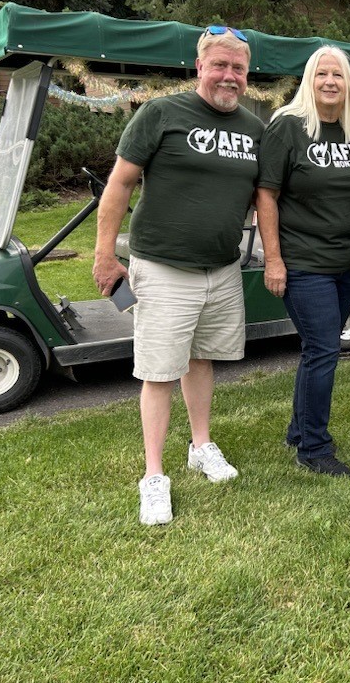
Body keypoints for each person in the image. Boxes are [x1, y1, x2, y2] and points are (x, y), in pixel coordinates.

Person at [93, 26, 263, 525]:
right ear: (199, 67)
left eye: (238, 68)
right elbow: (120, 184)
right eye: (220, 66)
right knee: (160, 371)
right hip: (163, 267)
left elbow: (263, 199)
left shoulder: (254, 129)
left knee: (202, 359)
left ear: (247, 76)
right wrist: (105, 254)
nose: (228, 76)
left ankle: (201, 446)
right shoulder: (161, 114)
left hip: (223, 268)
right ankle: (153, 476)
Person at [256, 46, 350, 477]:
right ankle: (315, 448)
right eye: (321, 74)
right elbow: (266, 195)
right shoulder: (288, 127)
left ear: (348, 82)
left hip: (344, 262)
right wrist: (274, 260)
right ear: (309, 78)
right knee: (324, 349)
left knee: (316, 349)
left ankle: (298, 430)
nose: (330, 82)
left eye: (337, 75)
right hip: (302, 261)